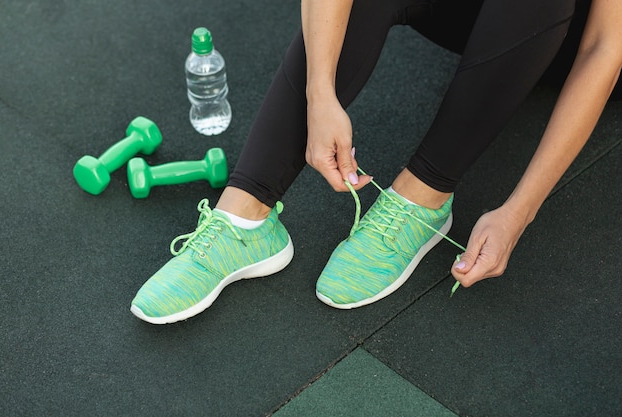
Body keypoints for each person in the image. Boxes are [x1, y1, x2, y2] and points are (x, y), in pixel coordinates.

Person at [130, 0, 622, 324]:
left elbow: (604, 48)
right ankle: (243, 217)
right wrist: (319, 93)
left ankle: (424, 197)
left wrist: (519, 211)